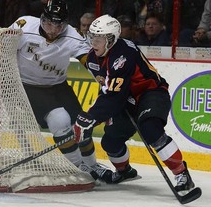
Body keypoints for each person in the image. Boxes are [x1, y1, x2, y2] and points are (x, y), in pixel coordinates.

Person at [73, 14, 196, 191]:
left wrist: (91, 117)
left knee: (150, 129)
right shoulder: (93, 58)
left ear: (111, 39)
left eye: (98, 39)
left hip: (150, 92)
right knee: (110, 142)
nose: (93, 43)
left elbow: (115, 97)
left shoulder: (123, 54)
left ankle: (182, 173)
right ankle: (125, 171)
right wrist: (90, 116)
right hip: (125, 100)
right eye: (92, 37)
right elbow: (107, 90)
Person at [8, 0, 114, 183]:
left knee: (82, 126)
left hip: (59, 86)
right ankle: (76, 166)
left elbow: (90, 62)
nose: (53, 29)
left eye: (58, 25)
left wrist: (104, 80)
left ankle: (92, 165)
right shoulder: (24, 25)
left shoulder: (73, 36)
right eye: (49, 23)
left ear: (65, 24)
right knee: (60, 120)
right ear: (42, 18)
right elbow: (1, 46)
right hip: (29, 86)